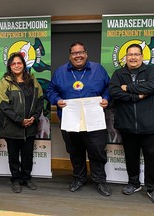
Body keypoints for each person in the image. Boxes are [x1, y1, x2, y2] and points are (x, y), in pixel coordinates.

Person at [47, 41, 111, 196]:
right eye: (74, 53)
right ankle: (79, 178)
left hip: (94, 121)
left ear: (86, 54)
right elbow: (50, 90)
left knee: (97, 151)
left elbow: (109, 88)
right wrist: (57, 100)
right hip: (70, 121)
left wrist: (106, 99)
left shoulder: (98, 70)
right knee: (75, 152)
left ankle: (99, 180)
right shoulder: (60, 72)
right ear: (70, 56)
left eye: (81, 52)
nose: (78, 56)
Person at [109, 43, 154, 204]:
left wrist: (128, 87)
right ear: (125, 57)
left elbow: (153, 86)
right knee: (131, 157)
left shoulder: (151, 71)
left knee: (151, 159)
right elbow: (114, 92)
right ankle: (133, 183)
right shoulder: (118, 74)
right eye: (130, 54)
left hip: (150, 126)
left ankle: (152, 188)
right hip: (127, 125)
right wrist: (136, 95)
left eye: (136, 54)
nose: (133, 57)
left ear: (142, 56)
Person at [0, 52, 44, 193]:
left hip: (30, 126)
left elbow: (40, 100)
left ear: (24, 65)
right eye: (13, 63)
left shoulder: (33, 81)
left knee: (28, 155)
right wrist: (19, 120)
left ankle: (26, 178)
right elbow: (3, 106)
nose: (17, 66)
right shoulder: (5, 83)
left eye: (19, 63)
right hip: (12, 127)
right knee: (13, 155)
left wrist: (34, 117)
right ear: (10, 66)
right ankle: (16, 179)